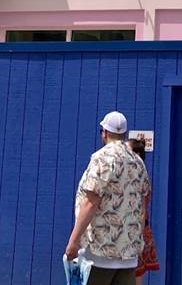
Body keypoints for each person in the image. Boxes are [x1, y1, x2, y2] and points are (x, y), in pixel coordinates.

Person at [65, 111, 150, 285]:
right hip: (128, 254)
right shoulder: (137, 162)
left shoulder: (101, 159)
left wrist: (73, 241)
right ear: (124, 134)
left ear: (104, 132)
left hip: (100, 253)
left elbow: (91, 202)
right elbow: (142, 205)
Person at [128, 139, 159, 283]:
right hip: (133, 231)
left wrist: (136, 237)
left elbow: (141, 210)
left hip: (136, 231)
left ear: (137, 155)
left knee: (136, 274)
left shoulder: (139, 177)